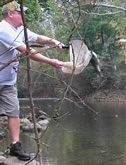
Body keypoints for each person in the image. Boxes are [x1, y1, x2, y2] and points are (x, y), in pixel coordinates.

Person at [0, 1, 64, 161]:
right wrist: (52, 62)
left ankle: (15, 146)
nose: (24, 15)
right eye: (21, 12)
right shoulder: (3, 29)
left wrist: (53, 41)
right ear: (11, 14)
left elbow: (37, 37)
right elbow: (27, 51)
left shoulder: (19, 29)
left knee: (13, 111)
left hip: (7, 82)